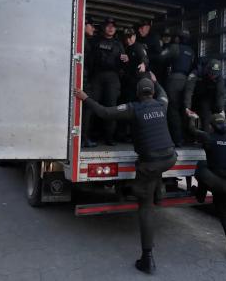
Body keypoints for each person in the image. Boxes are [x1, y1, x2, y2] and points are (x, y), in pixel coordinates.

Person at [75, 73, 176, 275]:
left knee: (144, 207)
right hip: (170, 158)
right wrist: (156, 80)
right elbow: (165, 94)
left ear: (138, 93)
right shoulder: (161, 105)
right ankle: (159, 192)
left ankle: (147, 258)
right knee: (152, 167)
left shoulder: (133, 108)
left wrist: (85, 98)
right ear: (153, 93)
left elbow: (104, 112)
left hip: (151, 163)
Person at [187, 112, 226, 258]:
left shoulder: (208, 138)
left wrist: (192, 118)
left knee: (201, 166)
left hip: (214, 181)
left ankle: (200, 196)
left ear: (211, 127)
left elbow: (192, 131)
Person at [89, 17, 128, 146]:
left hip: (112, 78)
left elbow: (124, 64)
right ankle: (88, 136)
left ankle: (109, 137)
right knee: (91, 106)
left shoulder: (119, 44)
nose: (111, 28)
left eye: (113, 26)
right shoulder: (95, 41)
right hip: (97, 77)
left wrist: (125, 59)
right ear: (103, 27)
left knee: (111, 107)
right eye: (108, 25)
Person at [160, 29, 195, 147]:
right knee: (184, 109)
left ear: (178, 38)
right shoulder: (191, 51)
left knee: (173, 110)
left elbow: (161, 57)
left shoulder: (175, 47)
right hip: (187, 80)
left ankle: (177, 140)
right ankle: (187, 138)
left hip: (174, 80)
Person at [184, 58, 226, 133]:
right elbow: (188, 90)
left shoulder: (219, 76)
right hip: (198, 98)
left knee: (219, 118)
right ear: (207, 69)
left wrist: (221, 110)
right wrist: (187, 107)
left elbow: (220, 93)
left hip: (212, 98)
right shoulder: (197, 72)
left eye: (215, 75)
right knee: (205, 118)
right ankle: (206, 139)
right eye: (212, 74)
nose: (213, 76)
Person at [82, 18, 98, 148]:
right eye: (91, 26)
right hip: (84, 79)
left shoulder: (82, 40)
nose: (93, 29)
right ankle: (85, 139)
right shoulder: (84, 41)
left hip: (83, 78)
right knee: (88, 108)